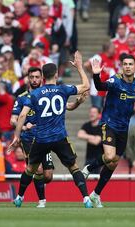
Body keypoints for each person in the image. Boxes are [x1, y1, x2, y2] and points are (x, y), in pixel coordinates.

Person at [9, 51, 92, 208]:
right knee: (73, 167)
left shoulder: (35, 94)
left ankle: (19, 197)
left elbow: (21, 116)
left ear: (43, 77)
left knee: (30, 169)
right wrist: (80, 68)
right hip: (60, 137)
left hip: (41, 139)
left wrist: (16, 136)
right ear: (56, 75)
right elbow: (86, 86)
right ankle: (86, 198)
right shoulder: (63, 89)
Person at [81, 54, 135, 208]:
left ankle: (95, 194)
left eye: (130, 64)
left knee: (113, 163)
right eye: (125, 64)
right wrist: (96, 74)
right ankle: (89, 168)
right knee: (110, 156)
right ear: (122, 66)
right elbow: (99, 87)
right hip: (109, 123)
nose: (127, 66)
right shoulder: (115, 81)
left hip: (123, 128)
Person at [77, 107, 103, 173]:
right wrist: (93, 137)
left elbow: (96, 142)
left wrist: (86, 136)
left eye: (94, 112)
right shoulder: (86, 125)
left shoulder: (102, 126)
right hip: (88, 159)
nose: (91, 114)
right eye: (90, 112)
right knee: (87, 180)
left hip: (100, 161)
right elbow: (79, 135)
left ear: (99, 115)